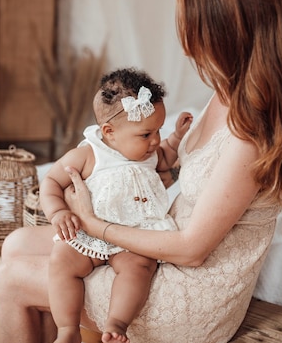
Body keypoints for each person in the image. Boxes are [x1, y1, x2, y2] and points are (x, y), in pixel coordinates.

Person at [0, 0, 282, 343]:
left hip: (188, 286)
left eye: (196, 35)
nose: (187, 49)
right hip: (156, 236)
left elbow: (191, 250)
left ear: (234, 38)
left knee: (13, 280)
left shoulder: (253, 133)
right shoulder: (226, 90)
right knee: (16, 244)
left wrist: (96, 224)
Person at [41, 68, 192, 343]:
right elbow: (51, 180)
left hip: (134, 235)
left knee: (140, 268)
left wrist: (178, 137)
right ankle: (67, 329)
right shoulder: (88, 154)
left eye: (159, 131)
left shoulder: (149, 153)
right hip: (88, 232)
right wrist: (58, 212)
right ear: (109, 132)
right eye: (146, 134)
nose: (156, 141)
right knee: (61, 261)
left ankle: (117, 323)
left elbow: (167, 156)